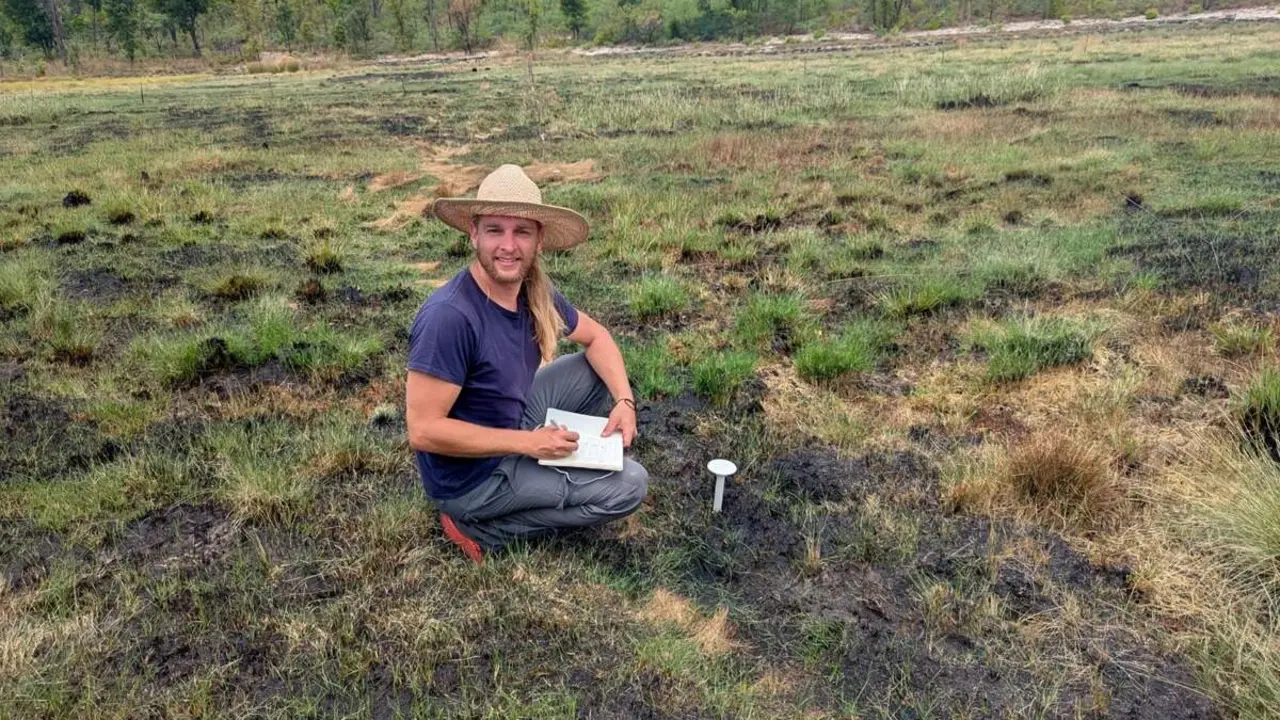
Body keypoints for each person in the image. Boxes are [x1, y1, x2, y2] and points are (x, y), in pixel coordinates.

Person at [404, 164, 649, 565]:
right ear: (474, 234)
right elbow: (424, 431)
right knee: (630, 486)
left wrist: (625, 402)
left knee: (595, 370)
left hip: (509, 422)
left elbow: (598, 337)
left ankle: (529, 468)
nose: (508, 246)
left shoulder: (534, 290)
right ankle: (482, 529)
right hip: (472, 479)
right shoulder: (448, 317)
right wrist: (527, 444)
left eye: (522, 231)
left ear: (539, 240)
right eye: (495, 230)